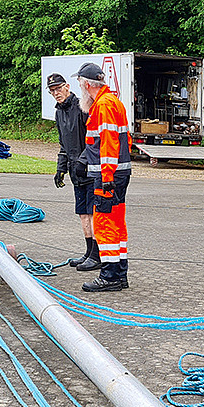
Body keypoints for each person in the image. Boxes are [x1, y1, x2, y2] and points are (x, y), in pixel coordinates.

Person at [73, 62, 131, 292]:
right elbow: (121, 141)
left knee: (105, 224)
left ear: (87, 84)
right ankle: (119, 274)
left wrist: (106, 176)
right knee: (117, 224)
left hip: (109, 176)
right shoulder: (112, 101)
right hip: (119, 174)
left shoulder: (104, 105)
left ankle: (109, 276)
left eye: (80, 83)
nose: (80, 87)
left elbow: (108, 142)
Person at [48, 72, 101, 272]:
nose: (56, 93)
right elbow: (64, 144)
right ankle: (88, 252)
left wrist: (83, 161)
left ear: (67, 87)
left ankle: (97, 255)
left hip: (90, 169)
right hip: (75, 171)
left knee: (93, 213)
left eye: (58, 89)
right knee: (83, 214)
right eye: (52, 91)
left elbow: (93, 138)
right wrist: (61, 168)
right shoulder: (59, 113)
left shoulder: (82, 107)